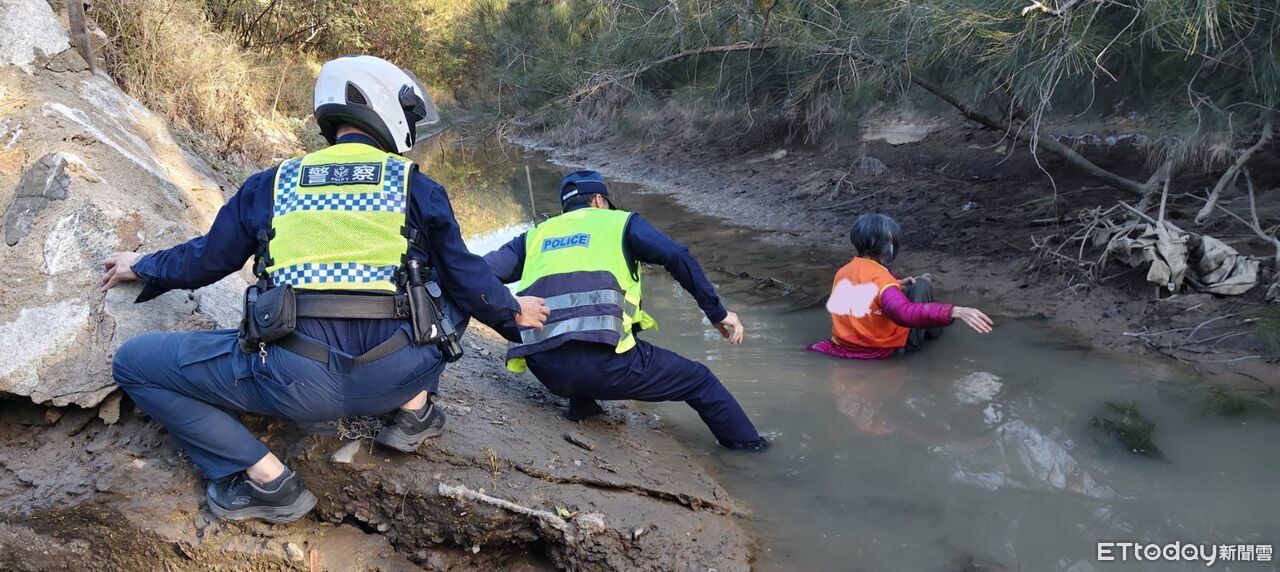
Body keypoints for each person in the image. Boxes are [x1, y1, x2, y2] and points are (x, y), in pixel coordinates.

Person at [102, 55, 548, 524]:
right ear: (383, 108)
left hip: (293, 383)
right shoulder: (417, 188)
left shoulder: (270, 185)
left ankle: (266, 478)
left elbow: (206, 260)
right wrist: (511, 310)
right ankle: (414, 410)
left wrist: (145, 265)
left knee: (134, 364)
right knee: (442, 282)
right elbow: (467, 279)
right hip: (397, 373)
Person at [483, 171, 768, 451]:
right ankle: (750, 447)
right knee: (700, 381)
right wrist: (717, 313)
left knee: (577, 339)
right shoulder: (622, 224)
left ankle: (583, 406)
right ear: (598, 200)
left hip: (546, 368)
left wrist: (512, 317)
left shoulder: (535, 236)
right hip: (607, 367)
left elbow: (479, 273)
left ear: (565, 208)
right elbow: (676, 255)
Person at [810, 213, 992, 359]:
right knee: (922, 285)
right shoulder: (881, 278)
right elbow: (903, 313)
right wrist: (954, 311)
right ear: (885, 246)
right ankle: (933, 333)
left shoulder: (844, 272)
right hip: (884, 350)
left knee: (911, 287)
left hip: (846, 345)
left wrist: (896, 284)